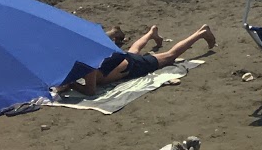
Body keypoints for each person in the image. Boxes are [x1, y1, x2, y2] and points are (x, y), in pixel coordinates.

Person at [58, 24, 216, 97]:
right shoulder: (83, 57)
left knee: (169, 56)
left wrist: (72, 84)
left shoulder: (88, 64)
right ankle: (151, 33)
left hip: (131, 66)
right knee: (133, 51)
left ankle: (201, 33)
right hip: (122, 60)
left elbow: (91, 91)